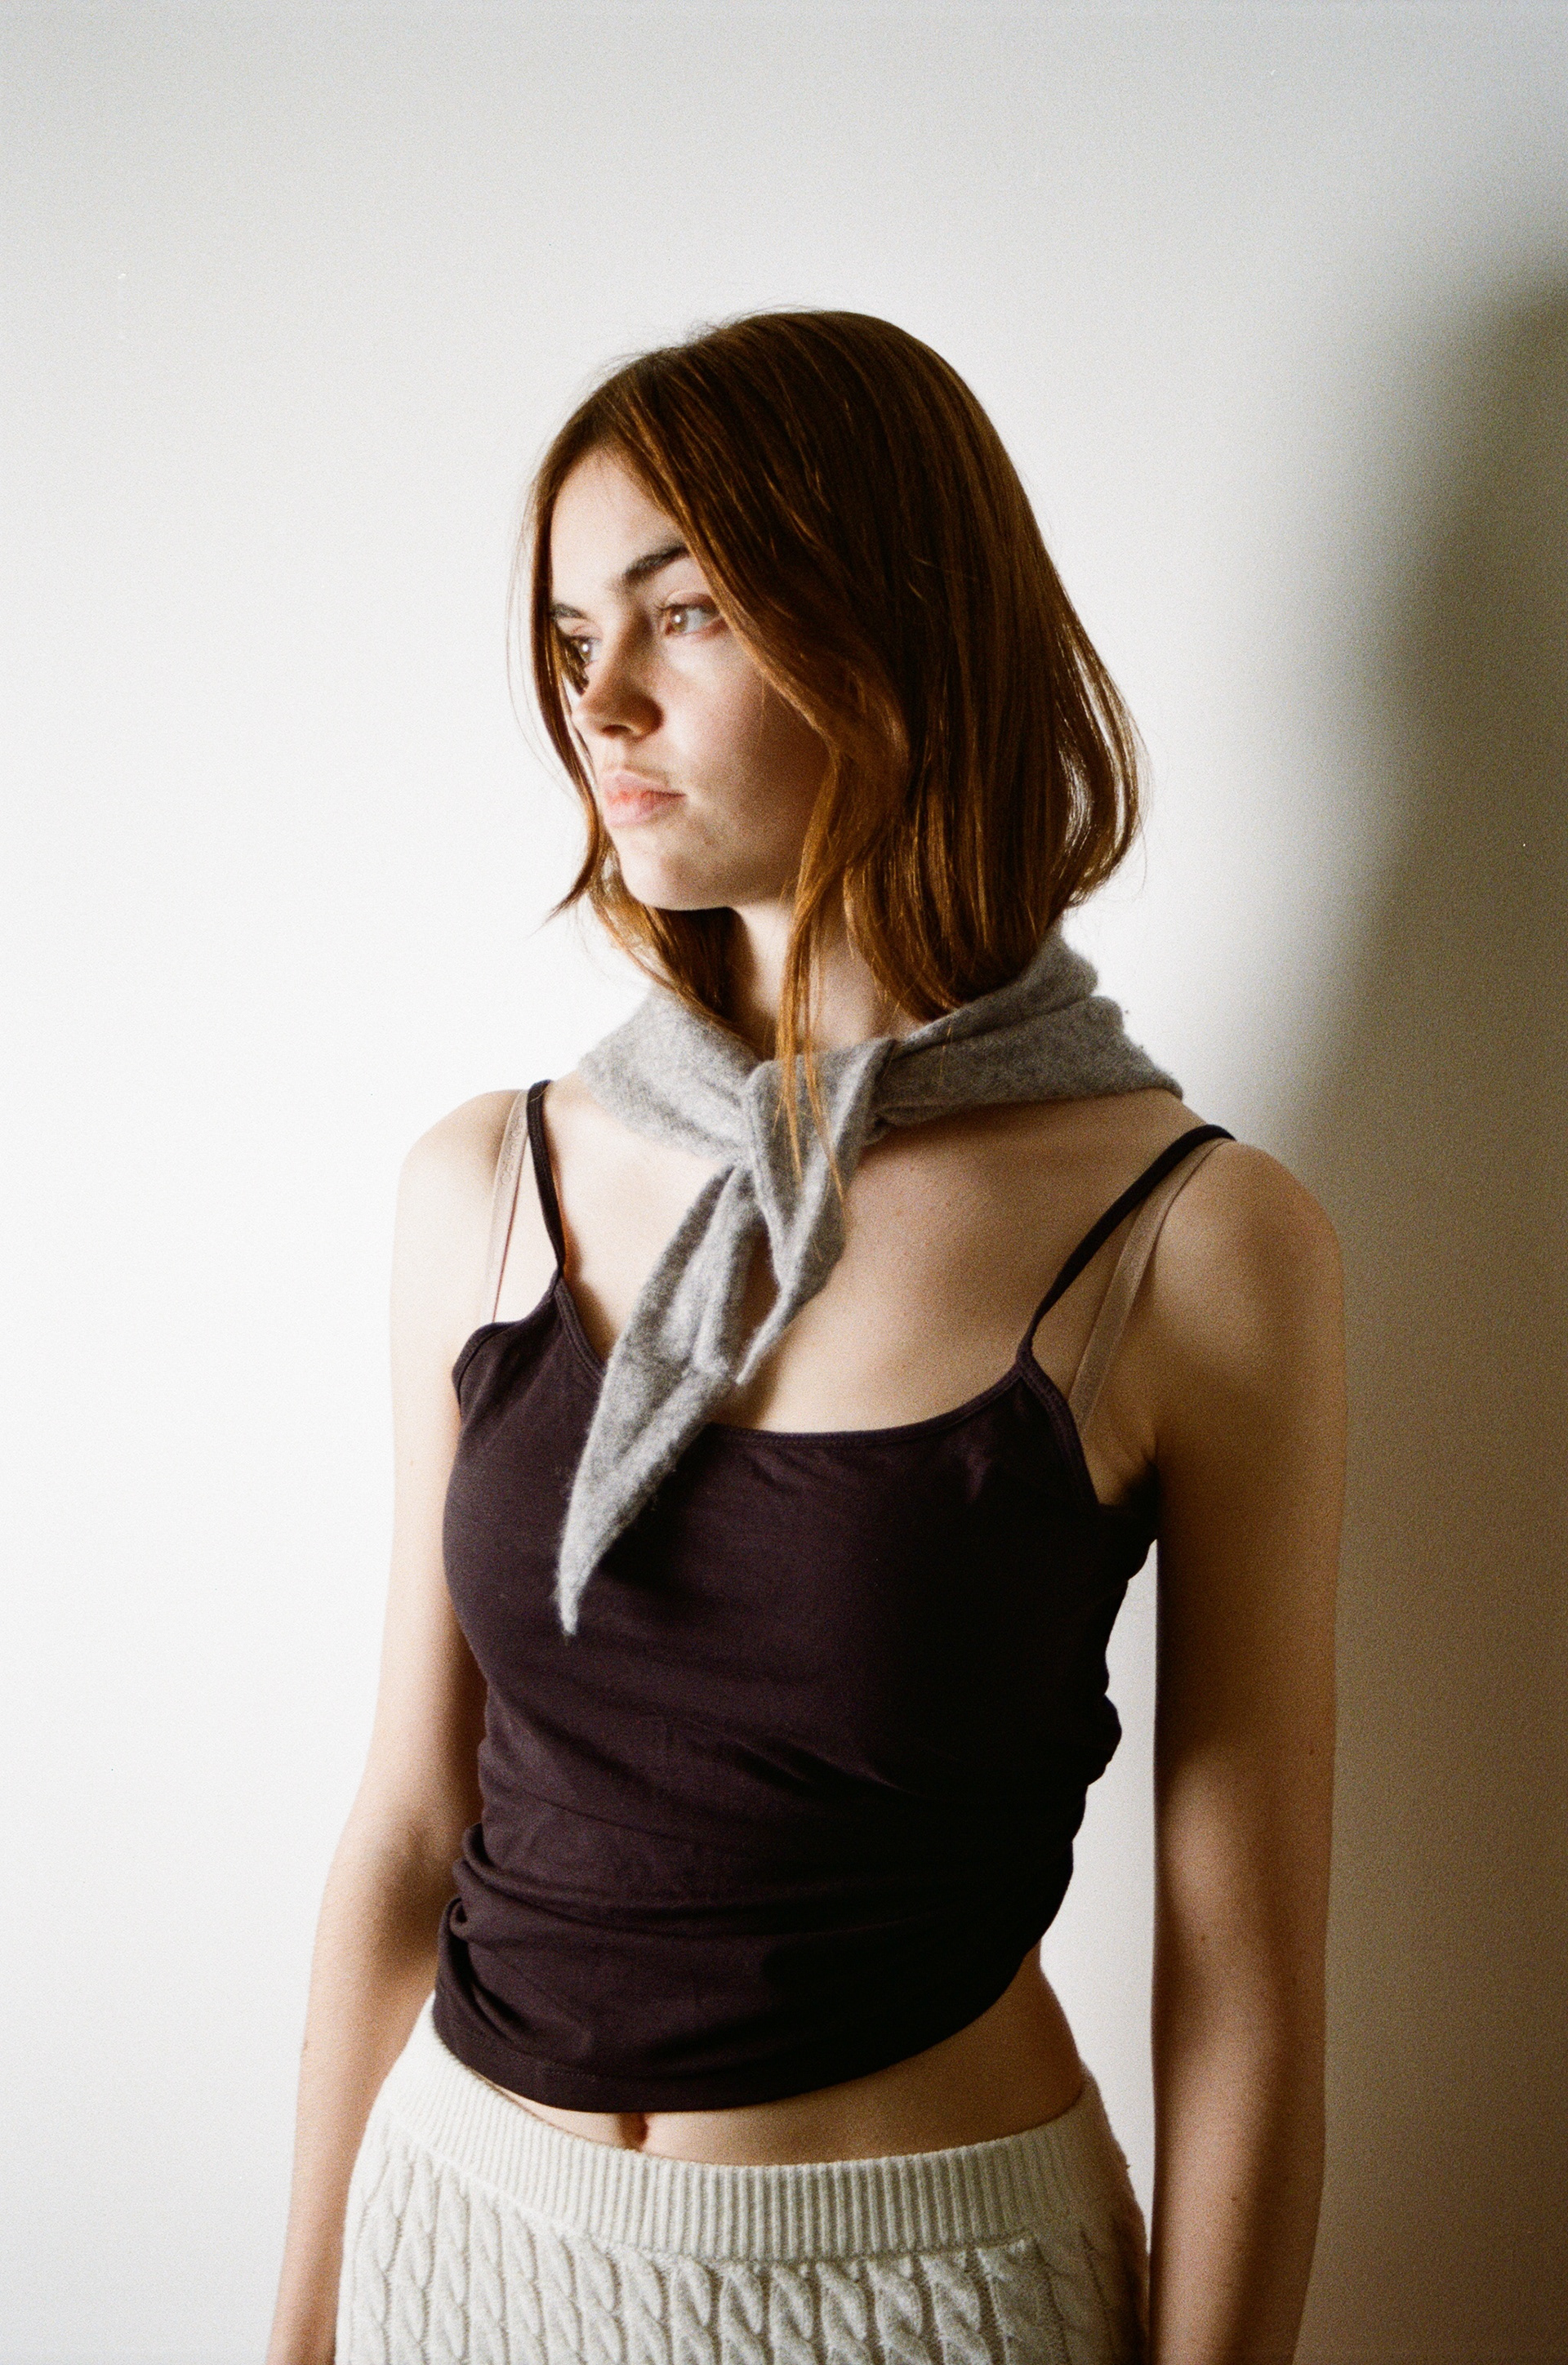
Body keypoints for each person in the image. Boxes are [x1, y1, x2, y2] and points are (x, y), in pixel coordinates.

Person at [265, 311, 1343, 2365]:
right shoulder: (485, 1187)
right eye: (573, 633)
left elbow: (1244, 1974)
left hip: (922, 2291)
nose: (601, 698)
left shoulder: (1193, 1241)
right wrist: (302, 2326)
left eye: (683, 613)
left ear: (902, 630)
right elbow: (410, 1818)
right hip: (459, 2251)